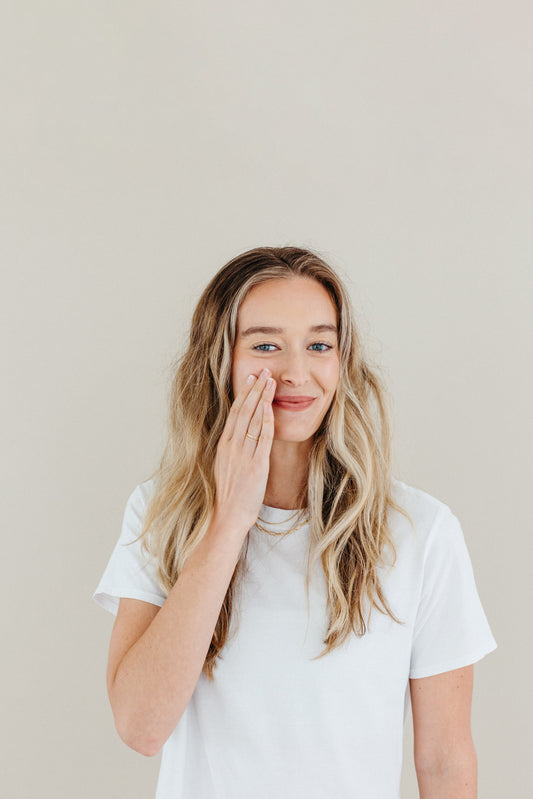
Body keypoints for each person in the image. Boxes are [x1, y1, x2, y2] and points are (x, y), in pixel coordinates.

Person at [93, 246, 497, 799]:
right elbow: (140, 727)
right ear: (220, 361)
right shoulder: (160, 513)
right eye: (265, 345)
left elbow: (445, 762)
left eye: (319, 345)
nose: (296, 373)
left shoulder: (421, 531)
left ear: (342, 361)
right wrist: (229, 522)